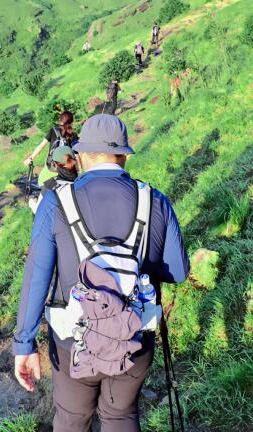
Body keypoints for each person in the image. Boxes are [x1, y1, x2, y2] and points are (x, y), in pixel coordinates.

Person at [13, 114, 189, 432]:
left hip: (72, 341)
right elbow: (177, 272)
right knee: (120, 415)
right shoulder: (155, 200)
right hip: (135, 335)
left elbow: (36, 278)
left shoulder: (55, 203)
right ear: (124, 154)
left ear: (80, 156)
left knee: (72, 418)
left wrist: (24, 344)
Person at [23, 111, 78, 188]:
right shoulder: (73, 135)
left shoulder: (53, 131)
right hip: (67, 171)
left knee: (42, 185)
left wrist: (30, 158)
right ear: (71, 122)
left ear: (60, 120)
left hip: (51, 167)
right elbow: (77, 154)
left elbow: (41, 146)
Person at [28, 146, 78, 214]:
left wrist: (31, 203)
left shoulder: (49, 186)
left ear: (55, 165)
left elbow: (38, 211)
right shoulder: (84, 180)